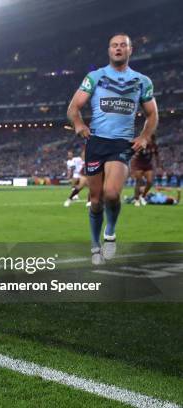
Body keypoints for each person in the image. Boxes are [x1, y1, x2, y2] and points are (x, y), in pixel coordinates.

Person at [67, 33, 158, 265]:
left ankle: (110, 233)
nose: (118, 49)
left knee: (111, 193)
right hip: (96, 142)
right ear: (109, 50)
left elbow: (152, 114)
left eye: (123, 45)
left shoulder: (142, 81)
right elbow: (74, 106)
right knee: (95, 200)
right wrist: (78, 124)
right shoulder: (95, 77)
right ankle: (95, 245)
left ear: (130, 50)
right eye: (114, 45)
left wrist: (145, 136)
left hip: (121, 144)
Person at [130, 133, 160, 206]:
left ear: (152, 139)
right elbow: (134, 157)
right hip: (139, 164)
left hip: (148, 165)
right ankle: (136, 199)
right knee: (139, 181)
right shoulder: (142, 145)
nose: (147, 139)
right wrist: (132, 169)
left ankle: (143, 196)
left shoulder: (154, 146)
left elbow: (157, 156)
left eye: (149, 138)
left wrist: (159, 165)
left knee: (150, 182)